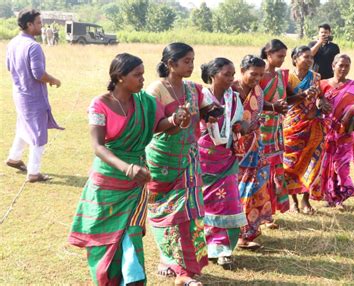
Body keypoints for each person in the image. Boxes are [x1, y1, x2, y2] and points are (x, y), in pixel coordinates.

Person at [69, 53, 162, 285]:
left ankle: (133, 279)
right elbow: (98, 146)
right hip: (108, 182)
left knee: (131, 235)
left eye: (143, 74)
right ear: (120, 77)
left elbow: (159, 125)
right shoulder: (100, 104)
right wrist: (126, 167)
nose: (142, 79)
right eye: (137, 75)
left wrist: (177, 120)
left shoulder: (145, 102)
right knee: (104, 239)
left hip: (135, 184)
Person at [146, 43, 212, 286]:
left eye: (192, 60)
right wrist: (173, 119)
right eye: (186, 61)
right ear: (170, 64)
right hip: (162, 159)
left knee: (190, 212)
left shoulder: (193, 89)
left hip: (189, 157)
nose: (191, 65)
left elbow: (205, 110)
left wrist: (213, 111)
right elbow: (152, 126)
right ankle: (167, 257)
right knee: (162, 211)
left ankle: (185, 271)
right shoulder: (156, 90)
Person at [198, 57, 247, 269]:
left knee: (229, 202)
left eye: (232, 74)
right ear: (213, 75)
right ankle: (205, 247)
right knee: (202, 205)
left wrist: (242, 126)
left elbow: (238, 122)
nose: (231, 78)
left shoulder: (234, 98)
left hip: (226, 159)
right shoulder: (200, 96)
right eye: (226, 74)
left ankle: (224, 250)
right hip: (201, 158)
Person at [5, 9, 62, 183]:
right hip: (33, 97)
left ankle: (14, 158)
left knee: (24, 126)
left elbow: (9, 67)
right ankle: (34, 172)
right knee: (38, 133)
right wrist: (54, 80)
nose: (41, 26)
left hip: (19, 94)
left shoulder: (13, 42)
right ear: (29, 25)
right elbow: (38, 73)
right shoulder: (33, 46)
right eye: (38, 23)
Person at [283, 46, 330, 214]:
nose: (310, 60)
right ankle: (293, 200)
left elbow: (320, 97)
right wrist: (303, 94)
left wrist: (322, 104)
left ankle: (305, 200)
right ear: (295, 59)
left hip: (313, 123)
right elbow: (286, 100)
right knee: (291, 162)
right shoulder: (286, 78)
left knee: (312, 162)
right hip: (292, 125)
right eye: (306, 57)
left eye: (311, 57)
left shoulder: (316, 77)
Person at [319, 54, 354, 207]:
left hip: (346, 133)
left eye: (346, 66)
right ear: (333, 66)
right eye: (340, 65)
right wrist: (319, 101)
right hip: (325, 132)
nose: (343, 69)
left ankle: (340, 197)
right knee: (326, 165)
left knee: (341, 167)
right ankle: (329, 196)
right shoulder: (322, 85)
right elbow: (313, 102)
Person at [231, 55, 267, 250]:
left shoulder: (258, 91)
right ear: (242, 70)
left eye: (261, 75)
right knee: (232, 192)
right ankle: (229, 234)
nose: (257, 78)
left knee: (252, 190)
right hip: (232, 148)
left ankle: (246, 234)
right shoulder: (230, 89)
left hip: (253, 145)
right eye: (253, 74)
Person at [259, 39, 290, 228]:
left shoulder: (280, 76)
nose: (282, 60)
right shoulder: (259, 74)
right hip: (261, 128)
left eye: (284, 57)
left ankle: (268, 213)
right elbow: (251, 100)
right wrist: (273, 107)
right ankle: (261, 213)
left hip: (276, 129)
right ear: (269, 54)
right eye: (280, 56)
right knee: (261, 170)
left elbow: (288, 96)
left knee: (274, 170)